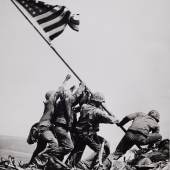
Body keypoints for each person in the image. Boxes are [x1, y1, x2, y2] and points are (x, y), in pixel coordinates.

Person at [65, 92, 119, 169]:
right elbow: (110, 120)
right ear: (97, 101)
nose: (101, 104)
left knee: (78, 150)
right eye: (100, 102)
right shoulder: (97, 112)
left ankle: (68, 165)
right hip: (87, 134)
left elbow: (77, 110)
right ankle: (86, 165)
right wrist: (115, 118)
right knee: (102, 150)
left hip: (79, 132)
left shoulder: (84, 106)